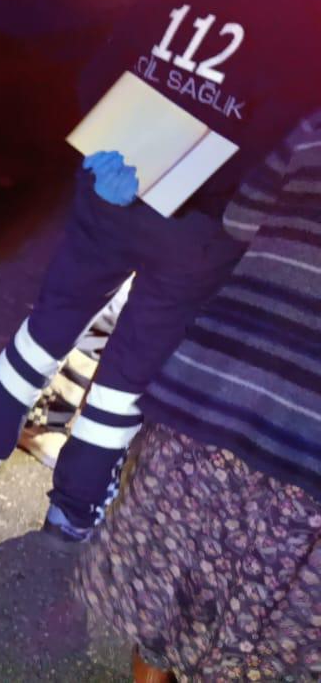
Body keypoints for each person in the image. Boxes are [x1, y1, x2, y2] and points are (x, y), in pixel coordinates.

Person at [0, 0, 321, 545]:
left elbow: (97, 77)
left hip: (112, 191)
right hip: (198, 228)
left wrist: (125, 152)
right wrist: (205, 188)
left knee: (46, 327)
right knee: (129, 372)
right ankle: (74, 507)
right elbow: (281, 138)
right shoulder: (305, 23)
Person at [76, 111, 321, 682]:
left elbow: (239, 220)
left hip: (213, 400)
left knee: (160, 605)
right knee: (262, 652)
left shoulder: (310, 130)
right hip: (307, 465)